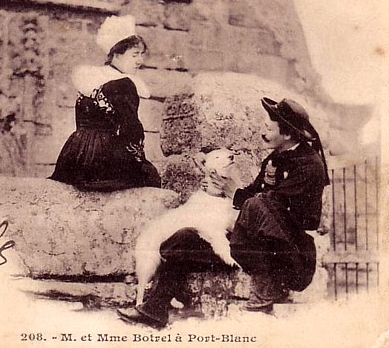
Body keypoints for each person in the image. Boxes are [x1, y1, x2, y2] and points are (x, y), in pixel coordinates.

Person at [117, 97, 329, 328]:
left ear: (287, 134)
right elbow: (253, 195)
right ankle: (155, 310)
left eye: (269, 128)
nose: (263, 133)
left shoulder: (308, 165)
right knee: (181, 239)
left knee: (256, 206)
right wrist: (220, 190)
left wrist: (234, 192)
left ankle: (263, 296)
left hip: (285, 252)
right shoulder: (276, 157)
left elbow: (275, 210)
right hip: (248, 243)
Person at [49, 15, 161, 191]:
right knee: (151, 178)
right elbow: (131, 128)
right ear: (117, 54)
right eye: (135, 55)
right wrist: (140, 161)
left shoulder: (89, 79)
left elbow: (80, 121)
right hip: (104, 159)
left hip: (76, 156)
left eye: (141, 55)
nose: (140, 61)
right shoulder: (124, 83)